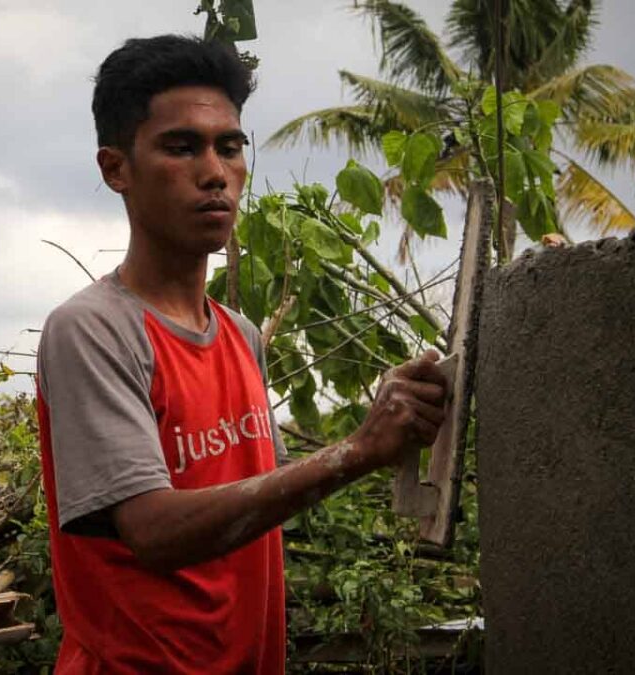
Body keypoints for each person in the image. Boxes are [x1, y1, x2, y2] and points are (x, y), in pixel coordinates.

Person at [35, 34, 448, 674]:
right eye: (181, 147)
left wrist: (383, 420)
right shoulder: (91, 330)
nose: (215, 172)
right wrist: (358, 452)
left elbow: (255, 502)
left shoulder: (239, 334)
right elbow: (154, 531)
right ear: (116, 168)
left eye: (230, 147)